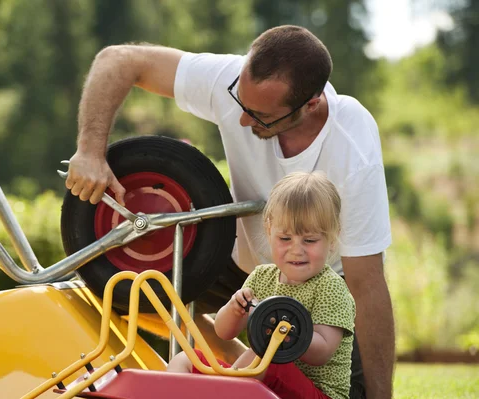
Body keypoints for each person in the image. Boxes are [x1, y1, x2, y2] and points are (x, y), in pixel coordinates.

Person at [65, 25, 394, 399]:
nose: (241, 120)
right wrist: (90, 150)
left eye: (260, 116)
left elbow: (367, 286)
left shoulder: (352, 150)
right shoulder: (230, 80)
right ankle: (239, 376)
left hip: (318, 280)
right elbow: (118, 59)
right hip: (249, 265)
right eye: (241, 101)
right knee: (132, 292)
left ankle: (250, 376)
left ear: (311, 104)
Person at [167, 171, 355, 399]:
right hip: (257, 381)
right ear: (269, 231)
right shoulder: (261, 277)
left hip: (318, 393)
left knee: (266, 355)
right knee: (186, 360)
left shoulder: (331, 288)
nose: (297, 249)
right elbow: (224, 332)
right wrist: (235, 310)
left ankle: (224, 391)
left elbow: (322, 352)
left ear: (332, 237)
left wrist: (286, 333)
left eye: (310, 240)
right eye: (285, 239)